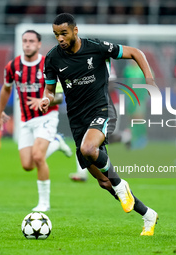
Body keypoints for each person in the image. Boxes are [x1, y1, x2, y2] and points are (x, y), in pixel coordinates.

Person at [40, 13, 158, 236]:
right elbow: (51, 91)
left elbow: (135, 52)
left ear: (75, 31)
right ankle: (148, 214)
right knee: (105, 183)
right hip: (77, 121)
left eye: (64, 33)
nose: (60, 39)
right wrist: (47, 99)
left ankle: (122, 186)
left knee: (89, 149)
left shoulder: (96, 47)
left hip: (102, 110)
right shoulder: (52, 58)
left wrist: (149, 80)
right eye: (56, 35)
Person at [0, 30, 72, 212]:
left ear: (38, 45)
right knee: (27, 165)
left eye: (31, 41)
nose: (27, 44)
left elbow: (61, 95)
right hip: (26, 120)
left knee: (38, 157)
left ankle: (44, 203)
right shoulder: (12, 67)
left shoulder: (49, 64)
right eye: (25, 41)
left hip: (47, 116)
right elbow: (6, 90)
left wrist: (44, 100)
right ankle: (57, 143)